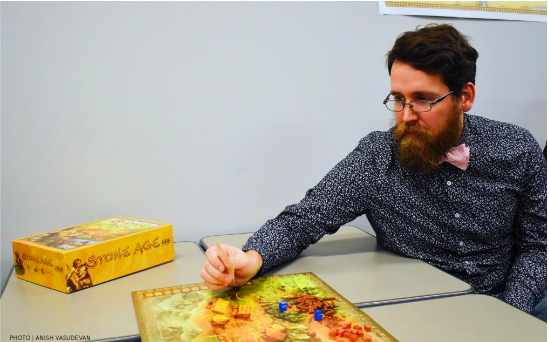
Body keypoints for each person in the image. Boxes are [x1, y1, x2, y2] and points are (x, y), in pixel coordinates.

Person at [200, 24, 547, 320]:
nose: (406, 115)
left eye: (423, 99)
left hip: (502, 305)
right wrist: (252, 257)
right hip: (411, 310)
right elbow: (306, 218)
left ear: (465, 97)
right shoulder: (379, 155)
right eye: (398, 98)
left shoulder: (517, 149)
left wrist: (509, 314)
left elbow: (539, 247)